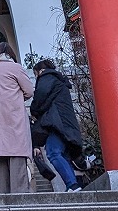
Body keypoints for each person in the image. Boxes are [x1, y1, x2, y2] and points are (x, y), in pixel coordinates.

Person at [0, 42, 34, 194]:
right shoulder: (16, 68)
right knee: (17, 160)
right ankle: (21, 200)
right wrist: (17, 97)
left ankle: (4, 199)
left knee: (2, 166)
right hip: (14, 117)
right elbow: (30, 91)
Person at [30, 58, 84, 193]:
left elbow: (40, 96)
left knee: (53, 152)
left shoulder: (47, 77)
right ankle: (73, 185)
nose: (37, 78)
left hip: (56, 124)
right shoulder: (60, 82)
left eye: (36, 74)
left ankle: (72, 184)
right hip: (66, 124)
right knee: (63, 155)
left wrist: (34, 110)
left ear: (40, 71)